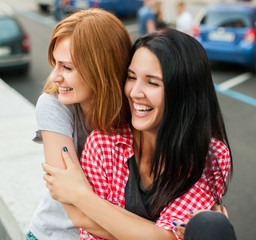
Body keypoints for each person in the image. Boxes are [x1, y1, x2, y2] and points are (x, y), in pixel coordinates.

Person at [43, 29, 235, 240]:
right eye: (131, 77)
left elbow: (168, 238)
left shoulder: (212, 157)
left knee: (213, 227)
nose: (134, 92)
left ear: (184, 93)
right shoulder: (103, 145)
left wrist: (80, 194)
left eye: (152, 82)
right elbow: (89, 230)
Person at [27, 9, 132, 240]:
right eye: (55, 63)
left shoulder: (135, 108)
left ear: (101, 70)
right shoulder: (53, 105)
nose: (55, 76)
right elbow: (78, 214)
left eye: (67, 67)